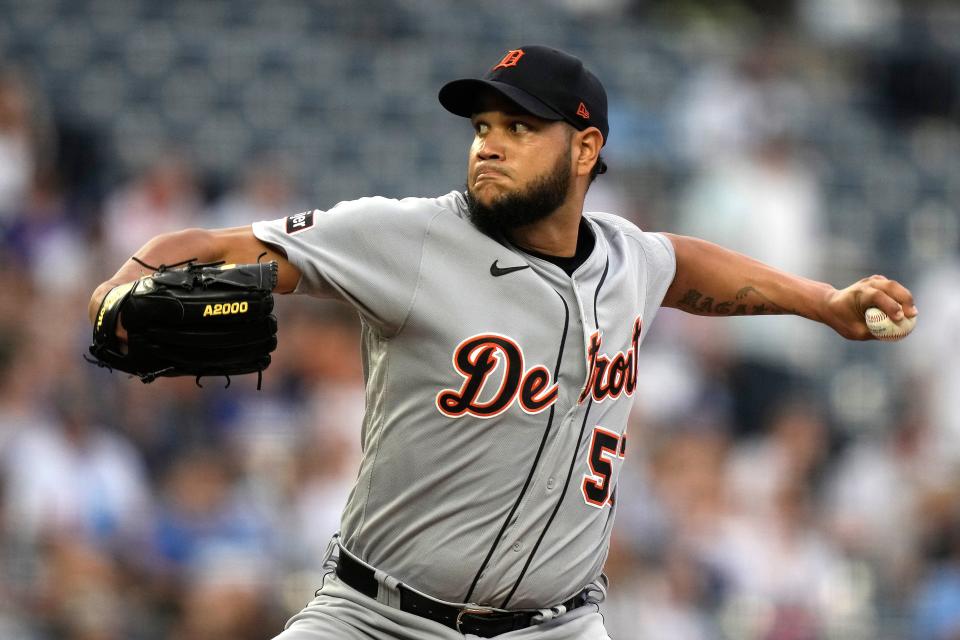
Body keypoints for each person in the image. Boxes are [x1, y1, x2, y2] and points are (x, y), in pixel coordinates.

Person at [88, 46, 917, 640]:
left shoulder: (626, 256)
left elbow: (685, 266)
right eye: (484, 124)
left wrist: (821, 302)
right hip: (379, 616)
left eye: (521, 127)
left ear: (586, 148)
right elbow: (216, 244)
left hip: (558, 625)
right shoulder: (405, 236)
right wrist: (123, 280)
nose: (489, 141)